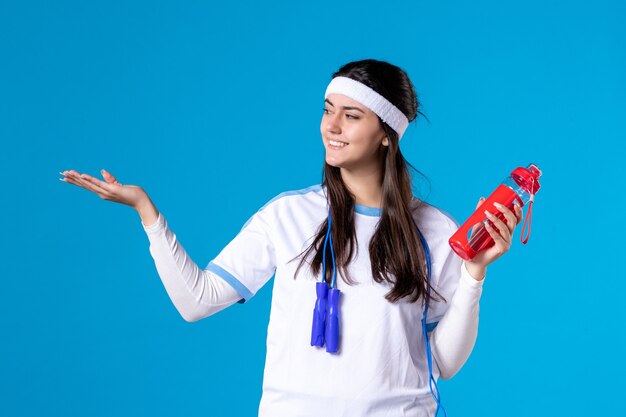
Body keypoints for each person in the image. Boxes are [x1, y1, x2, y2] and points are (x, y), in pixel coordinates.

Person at [60, 59, 523, 417]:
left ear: (387, 134)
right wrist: (148, 213)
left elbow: (441, 363)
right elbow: (196, 301)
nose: (331, 126)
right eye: (327, 111)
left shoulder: (436, 231)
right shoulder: (289, 215)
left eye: (351, 115)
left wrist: (473, 275)